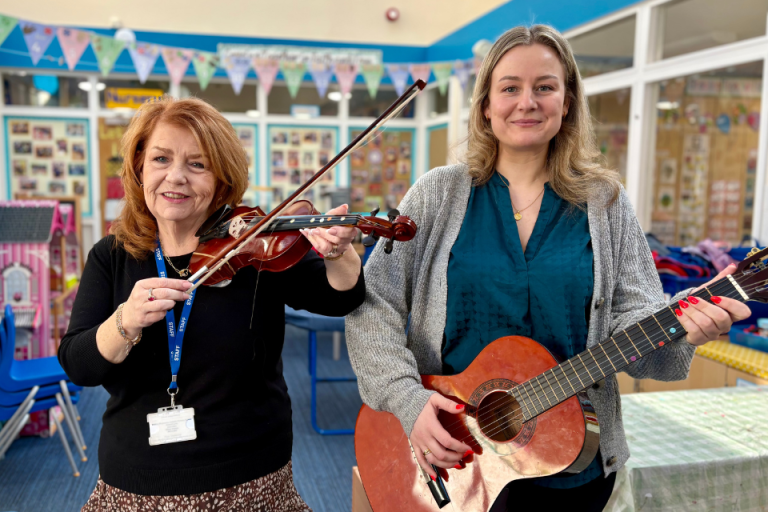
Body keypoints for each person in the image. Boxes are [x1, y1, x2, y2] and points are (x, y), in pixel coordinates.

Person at [345, 25, 751, 511]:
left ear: (567, 101)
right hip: (453, 451)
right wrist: (407, 402)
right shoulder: (438, 194)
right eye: (510, 87)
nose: (527, 102)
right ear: (486, 105)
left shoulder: (605, 204)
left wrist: (683, 330)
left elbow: (635, 321)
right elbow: (375, 303)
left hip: (573, 466)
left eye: (545, 87)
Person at [59, 97, 364, 511]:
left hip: (251, 475)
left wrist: (339, 252)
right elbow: (79, 364)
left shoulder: (255, 249)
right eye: (161, 159)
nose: (176, 177)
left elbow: (337, 297)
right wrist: (126, 321)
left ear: (221, 179)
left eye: (197, 164)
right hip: (137, 479)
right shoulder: (111, 256)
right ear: (139, 168)